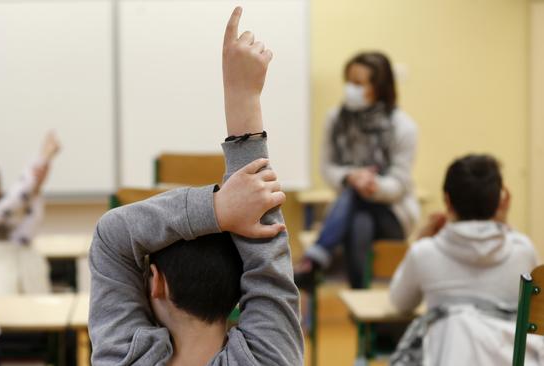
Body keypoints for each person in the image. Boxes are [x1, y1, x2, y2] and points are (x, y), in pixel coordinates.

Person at [87, 7, 303, 365]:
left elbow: (112, 235)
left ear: (156, 282)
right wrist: (244, 97)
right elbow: (269, 266)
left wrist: (218, 211)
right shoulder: (270, 359)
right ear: (238, 290)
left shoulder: (123, 359)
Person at [389, 154, 540, 365]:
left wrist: (419, 240)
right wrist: (505, 224)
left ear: (447, 200)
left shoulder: (424, 252)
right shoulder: (523, 250)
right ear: (500, 200)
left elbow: (400, 302)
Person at [295, 51, 419, 289]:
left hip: (393, 214)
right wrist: (351, 177)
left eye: (358, 83)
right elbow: (327, 168)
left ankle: (316, 260)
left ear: (379, 87)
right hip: (353, 211)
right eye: (349, 81)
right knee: (360, 220)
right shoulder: (335, 120)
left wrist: (372, 184)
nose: (351, 88)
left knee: (355, 195)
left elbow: (399, 184)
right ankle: (362, 304)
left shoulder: (403, 127)